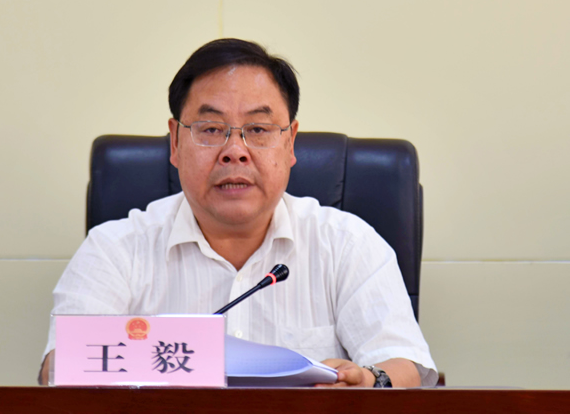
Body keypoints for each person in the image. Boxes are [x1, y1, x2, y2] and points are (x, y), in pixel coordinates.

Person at [40, 38, 437, 387]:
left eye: (258, 130)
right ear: (175, 143)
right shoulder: (114, 250)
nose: (235, 151)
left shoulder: (347, 244)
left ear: (290, 143)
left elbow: (405, 365)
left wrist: (368, 380)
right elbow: (59, 370)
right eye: (211, 129)